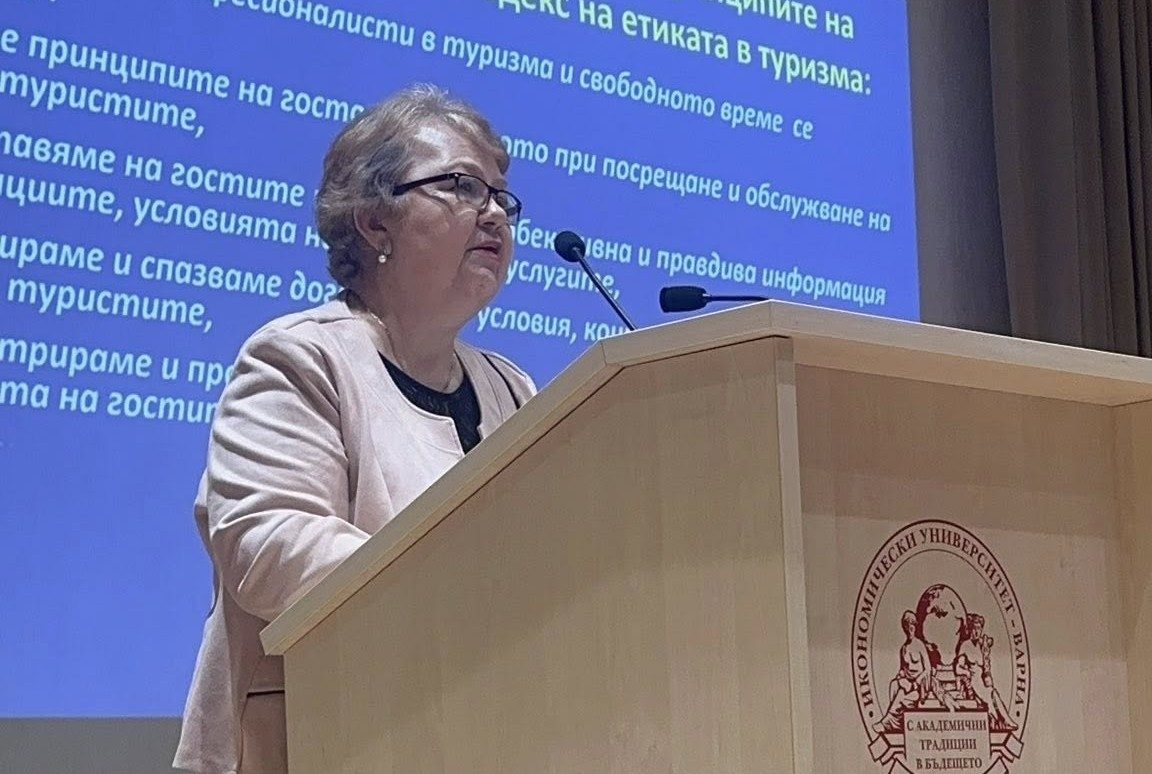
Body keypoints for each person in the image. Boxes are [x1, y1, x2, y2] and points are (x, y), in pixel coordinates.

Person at [173, 84, 536, 774]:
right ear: (374, 223)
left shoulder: (510, 387)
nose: (494, 213)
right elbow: (270, 545)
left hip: (484, 733)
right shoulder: (299, 357)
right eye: (462, 186)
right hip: (320, 738)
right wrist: (470, 595)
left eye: (500, 195)